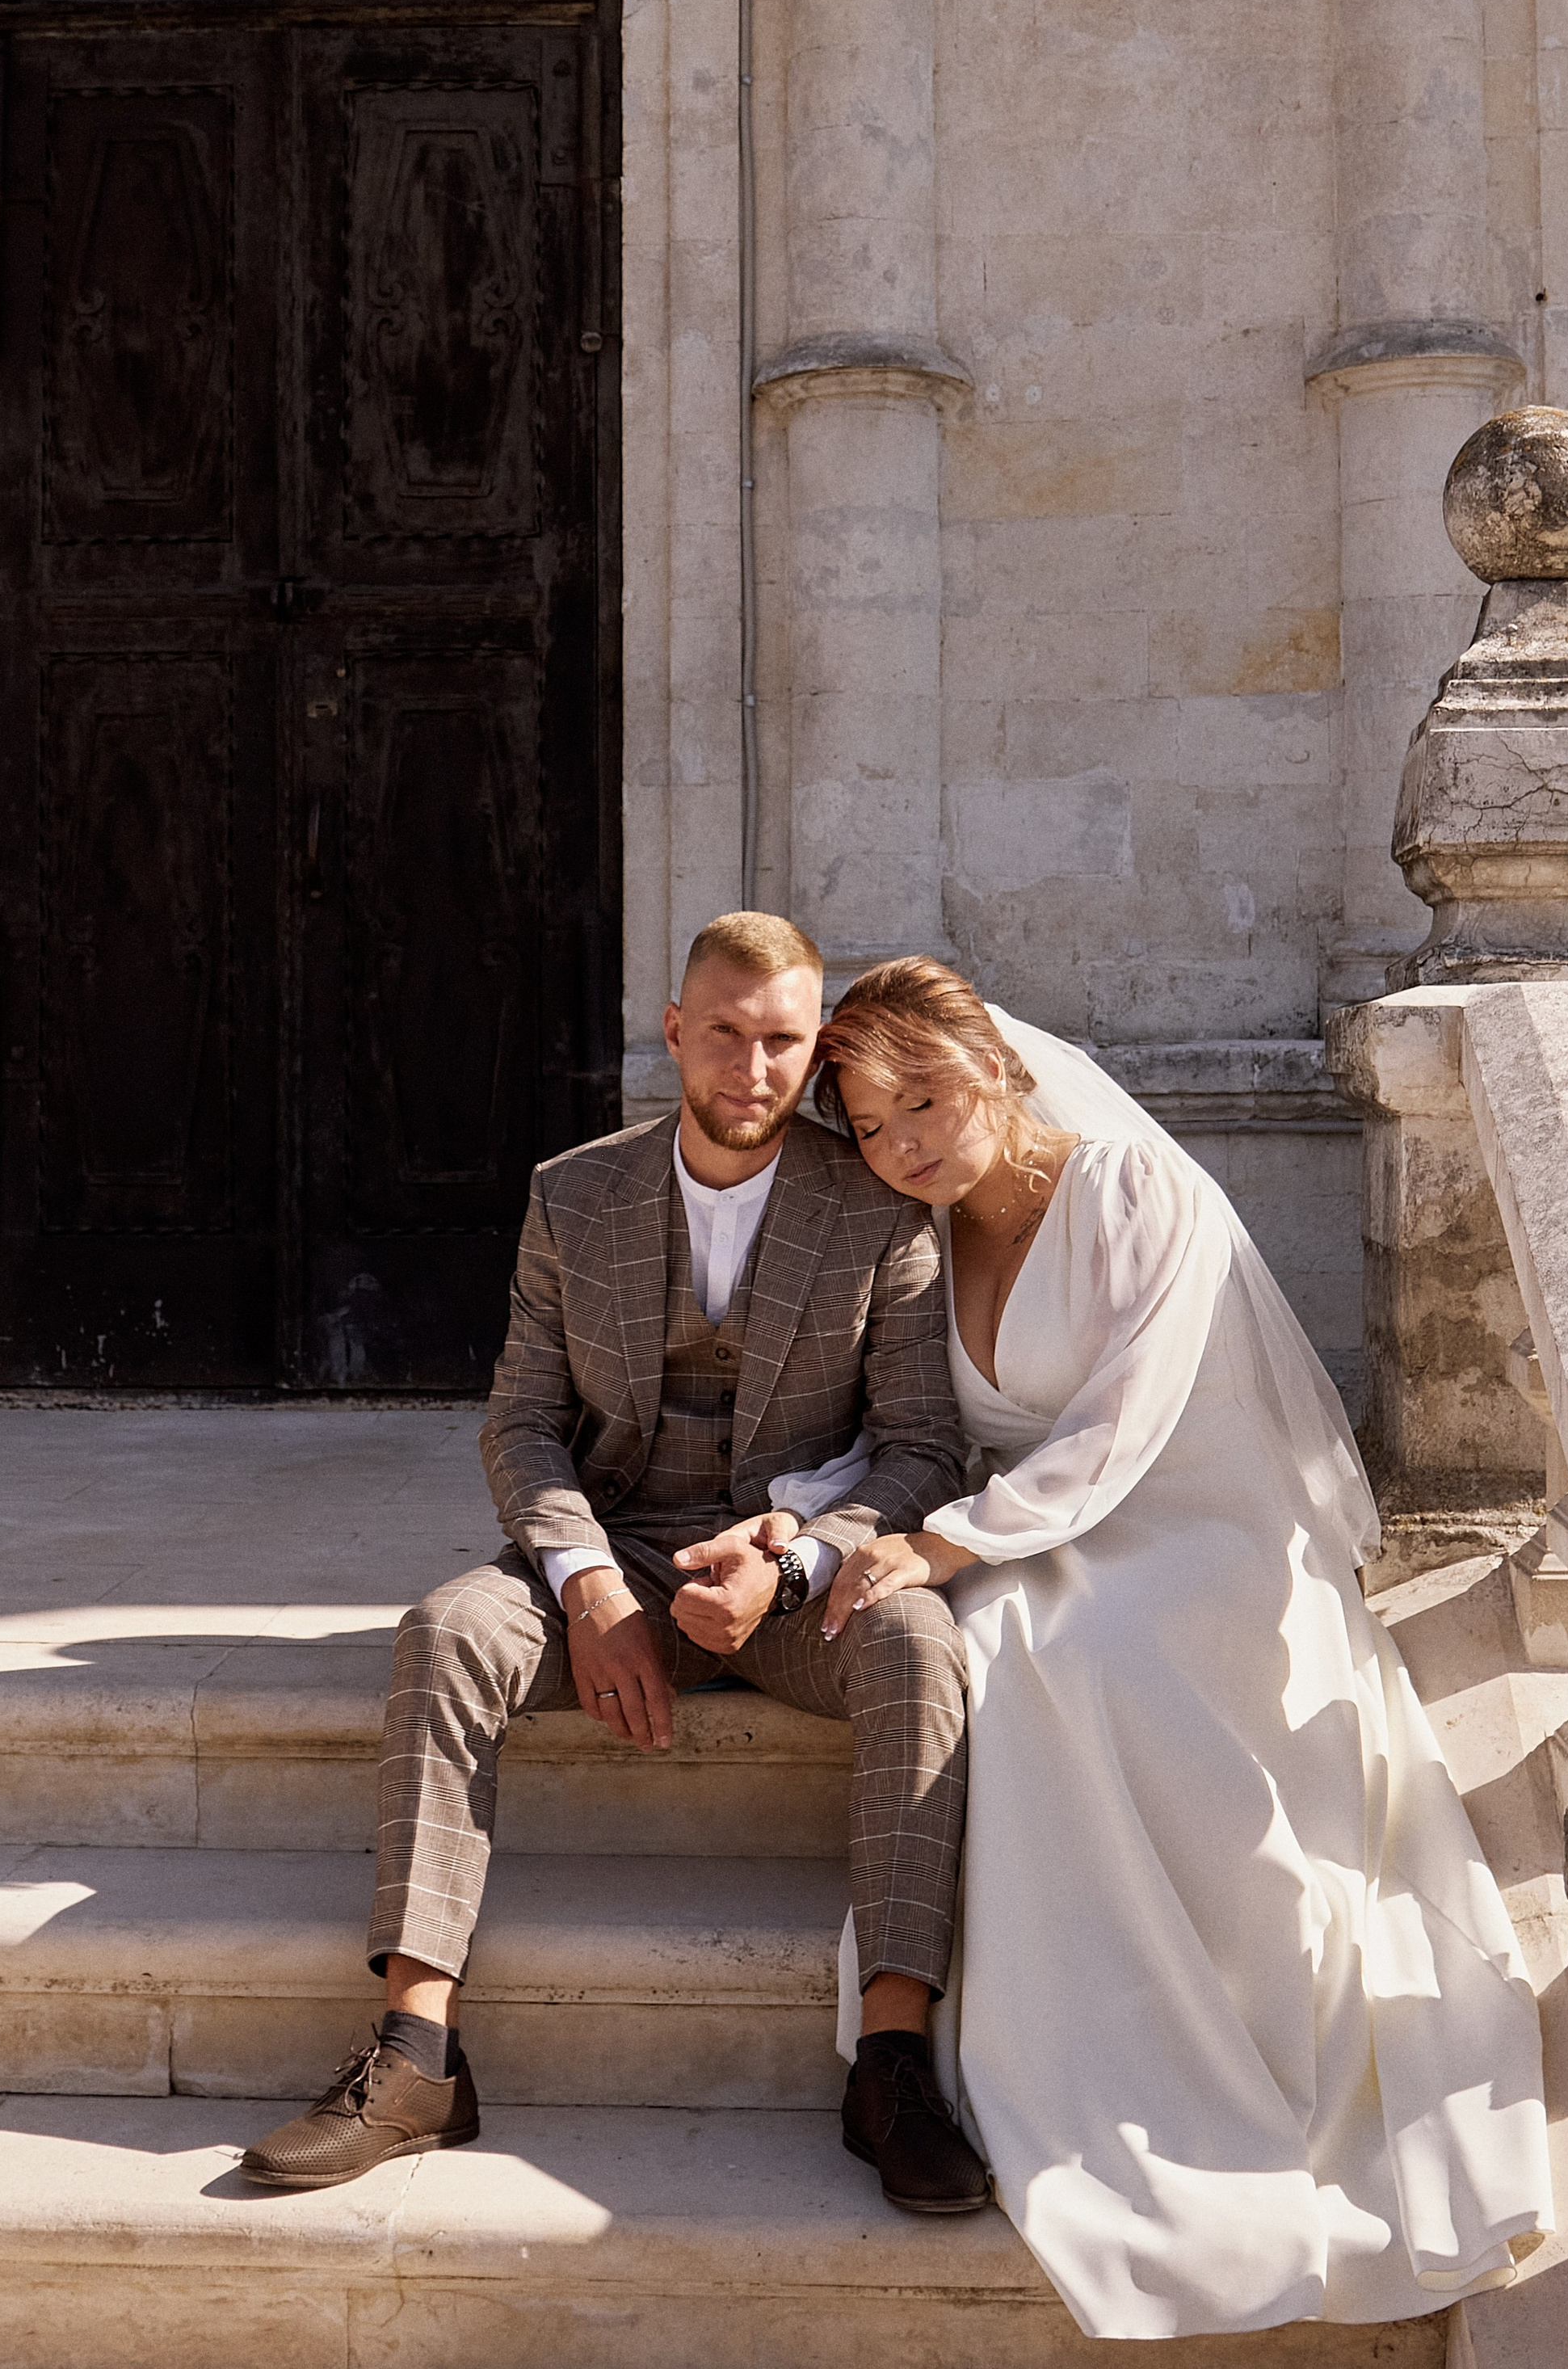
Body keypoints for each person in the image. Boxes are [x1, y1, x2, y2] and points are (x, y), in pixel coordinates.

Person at [803, 957, 1553, 2342]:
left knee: (1066, 1651)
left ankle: (1193, 2068)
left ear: (999, 1069)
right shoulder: (916, 1234)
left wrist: (950, 1544)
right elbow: (900, 1422)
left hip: (1202, 1517)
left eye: (925, 1100)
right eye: (869, 1123)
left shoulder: (1134, 1191)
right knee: (996, 1645)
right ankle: (1064, 2049)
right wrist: (806, 1527)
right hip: (1027, 1527)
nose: (903, 1142)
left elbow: (1126, 1423)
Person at [242, 911, 990, 2212]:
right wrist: (589, 1587)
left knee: (923, 1645)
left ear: (815, 1048)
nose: (751, 1069)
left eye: (782, 1042)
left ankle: (893, 2063)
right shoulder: (572, 1194)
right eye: (725, 1035)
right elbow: (522, 1424)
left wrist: (797, 1564)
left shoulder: (881, 1208)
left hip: (791, 1575)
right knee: (448, 1628)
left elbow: (923, 1448)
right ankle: (417, 2058)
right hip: (617, 1548)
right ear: (676, 1032)